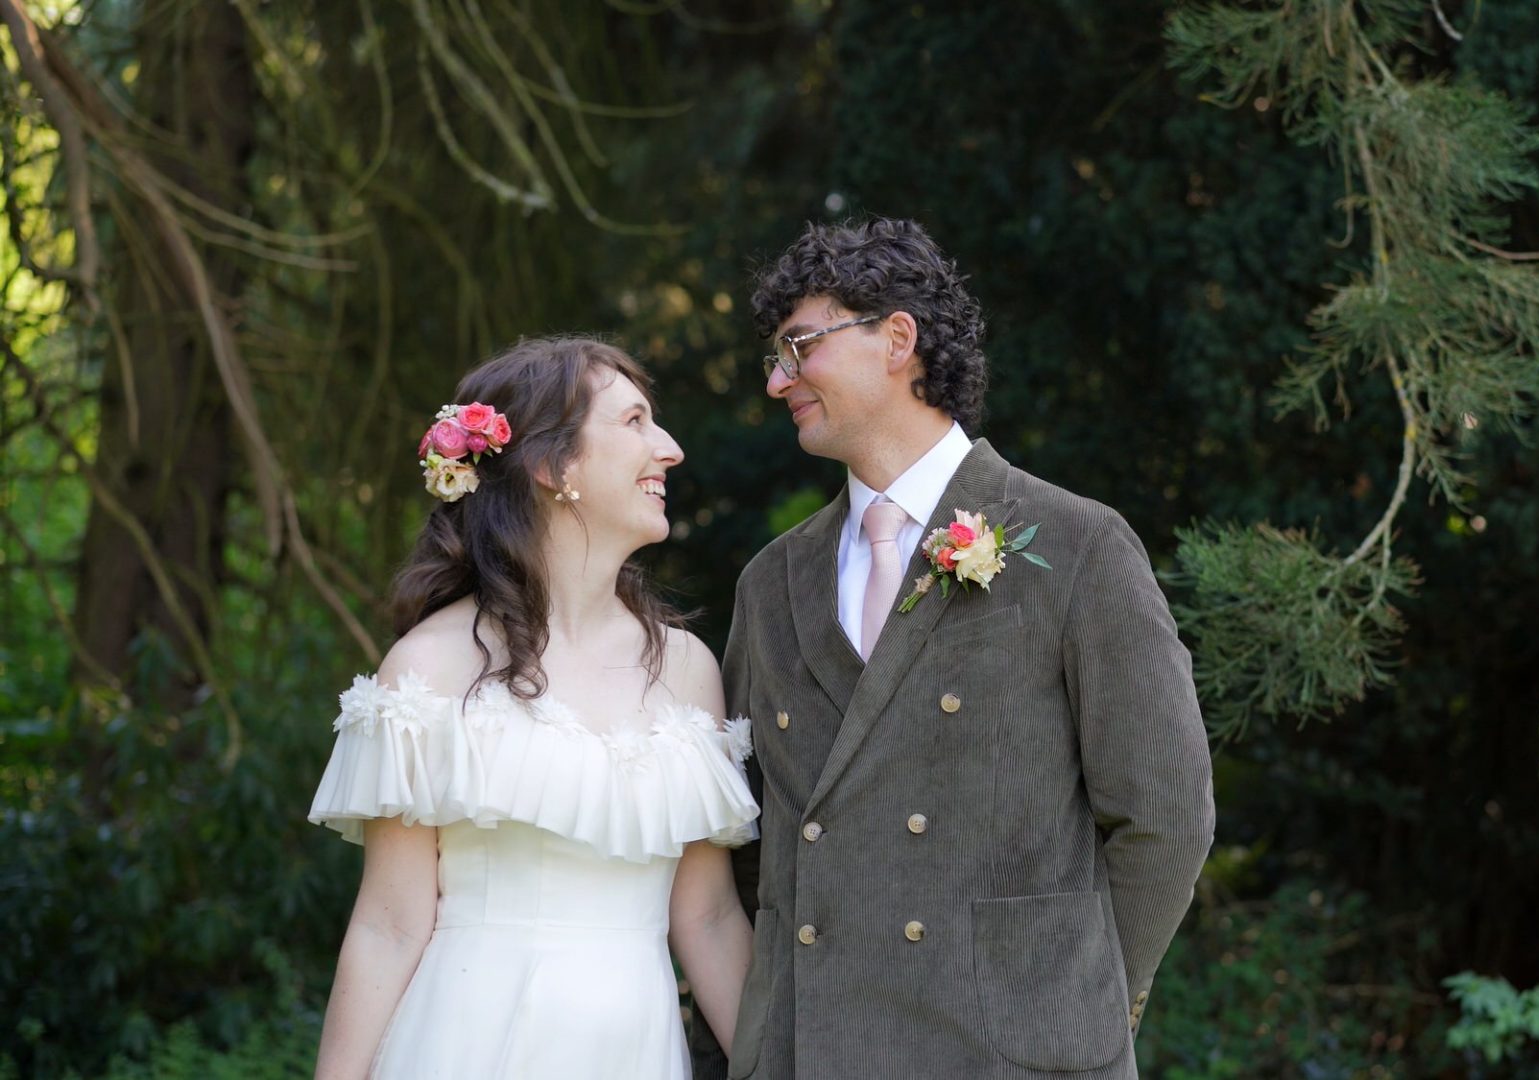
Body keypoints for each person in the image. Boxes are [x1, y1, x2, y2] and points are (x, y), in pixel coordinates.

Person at [704, 219, 1215, 1079]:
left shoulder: (1079, 544)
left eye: (800, 346)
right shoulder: (769, 583)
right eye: (775, 356)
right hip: (812, 1053)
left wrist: (1072, 1005)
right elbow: (750, 843)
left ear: (896, 339)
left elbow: (1165, 818)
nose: (776, 380)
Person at [308, 337, 758, 1079]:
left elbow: (708, 918)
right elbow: (389, 925)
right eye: (635, 422)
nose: (670, 449)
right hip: (461, 1046)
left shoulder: (687, 670)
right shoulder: (430, 667)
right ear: (553, 466)